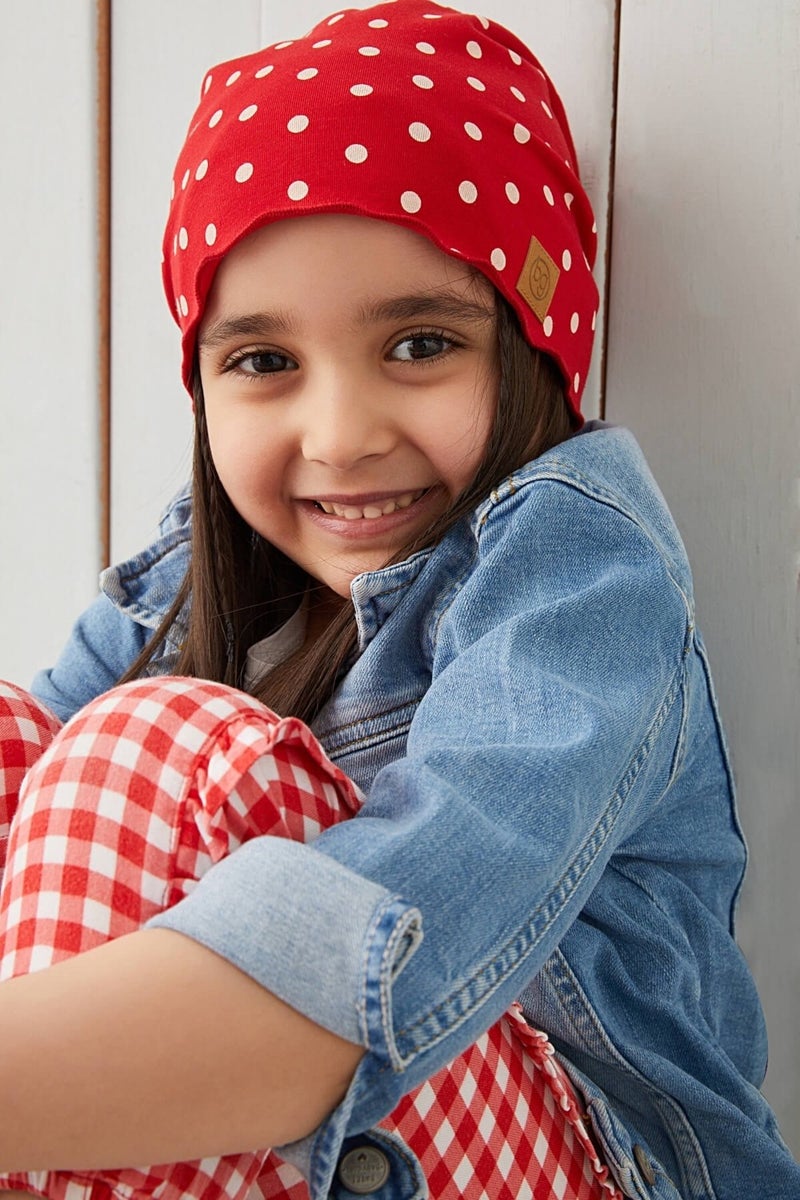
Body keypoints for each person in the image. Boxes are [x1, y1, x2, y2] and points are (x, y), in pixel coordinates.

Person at [0, 2, 798, 1198]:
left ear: (529, 347)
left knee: (151, 745)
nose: (339, 434)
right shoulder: (194, 575)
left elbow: (370, 960)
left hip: (575, 1160)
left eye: (419, 344)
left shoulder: (577, 576)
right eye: (263, 362)